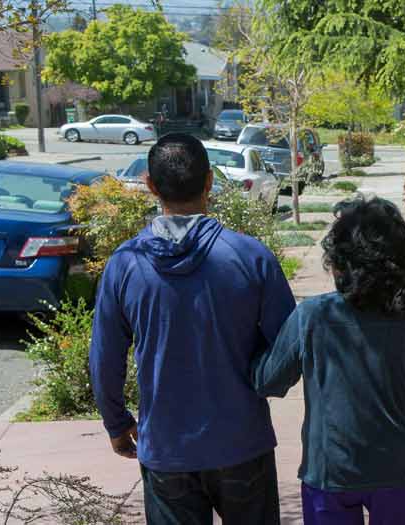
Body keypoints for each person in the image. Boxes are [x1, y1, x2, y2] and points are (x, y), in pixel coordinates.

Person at [89, 133, 296, 524]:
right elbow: (289, 347)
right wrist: (263, 384)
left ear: (150, 185)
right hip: (242, 443)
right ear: (210, 183)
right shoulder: (250, 257)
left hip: (168, 449)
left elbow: (104, 357)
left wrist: (116, 422)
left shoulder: (125, 264)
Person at [253, 197, 405, 525]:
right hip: (399, 472)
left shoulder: (312, 317)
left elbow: (268, 380)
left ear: (339, 262)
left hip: (329, 474)